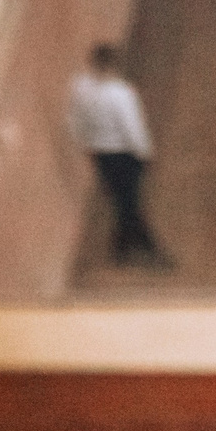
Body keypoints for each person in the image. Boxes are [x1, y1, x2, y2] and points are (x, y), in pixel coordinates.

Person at [71, 43, 168, 268]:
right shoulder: (120, 94)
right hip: (124, 155)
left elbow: (74, 120)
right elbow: (132, 128)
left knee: (122, 200)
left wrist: (85, 142)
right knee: (129, 201)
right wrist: (145, 153)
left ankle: (123, 247)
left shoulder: (80, 87)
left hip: (100, 154)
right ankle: (141, 246)